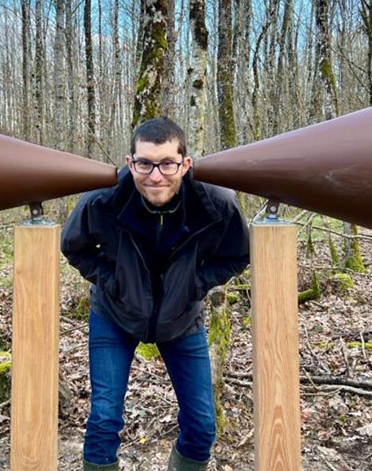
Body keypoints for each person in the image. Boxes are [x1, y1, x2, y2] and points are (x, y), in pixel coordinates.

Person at [61, 118, 250, 471]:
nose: (156, 175)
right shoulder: (103, 200)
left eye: (167, 164)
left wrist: (196, 284)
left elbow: (238, 254)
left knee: (202, 426)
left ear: (185, 164)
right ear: (130, 162)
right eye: (144, 163)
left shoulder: (216, 204)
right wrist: (113, 281)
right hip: (114, 314)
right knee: (104, 419)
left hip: (182, 318)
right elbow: (74, 247)